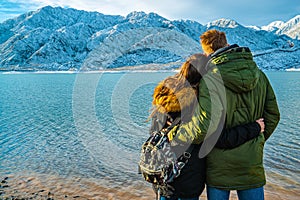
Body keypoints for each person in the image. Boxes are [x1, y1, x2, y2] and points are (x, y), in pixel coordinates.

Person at [168, 30, 280, 200]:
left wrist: (176, 134)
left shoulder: (210, 79)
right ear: (227, 45)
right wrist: (257, 140)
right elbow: (273, 115)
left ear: (207, 52)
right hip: (251, 162)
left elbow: (203, 127)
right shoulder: (260, 75)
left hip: (219, 164)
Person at [149, 53, 266, 200]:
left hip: (162, 177)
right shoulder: (198, 103)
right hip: (188, 178)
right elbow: (220, 138)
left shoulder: (165, 95)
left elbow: (155, 133)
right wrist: (254, 128)